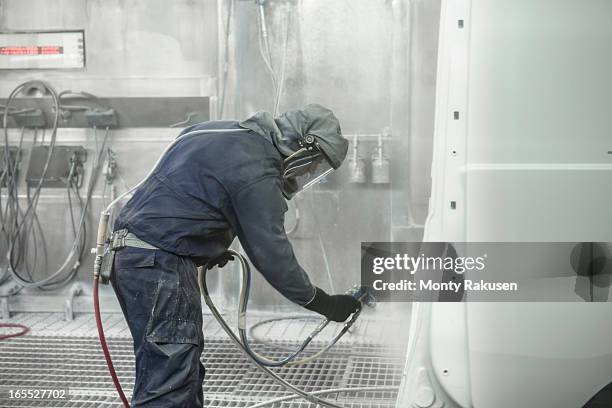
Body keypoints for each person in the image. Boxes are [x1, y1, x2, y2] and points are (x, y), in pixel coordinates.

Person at [109, 104, 361, 407]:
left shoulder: (218, 130)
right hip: (160, 266)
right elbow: (273, 256)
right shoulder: (259, 170)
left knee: (171, 370)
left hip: (133, 255)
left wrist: (205, 242)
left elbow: (187, 189)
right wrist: (324, 302)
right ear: (302, 145)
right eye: (314, 162)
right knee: (169, 382)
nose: (309, 172)